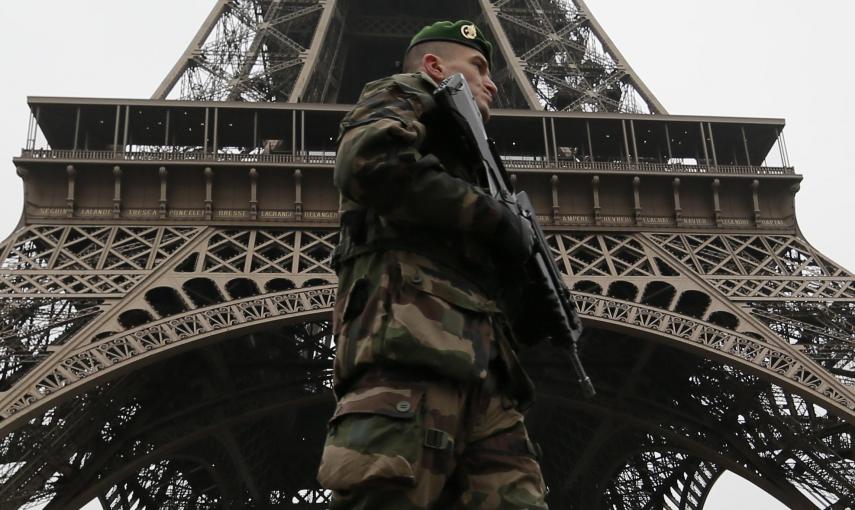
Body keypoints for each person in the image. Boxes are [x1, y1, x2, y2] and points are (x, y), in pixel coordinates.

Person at [317, 20, 548, 509]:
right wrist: (493, 218)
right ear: (434, 66)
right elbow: (367, 162)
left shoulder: (473, 163)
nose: (494, 82)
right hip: (414, 355)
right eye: (478, 66)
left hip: (488, 381)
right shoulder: (403, 92)